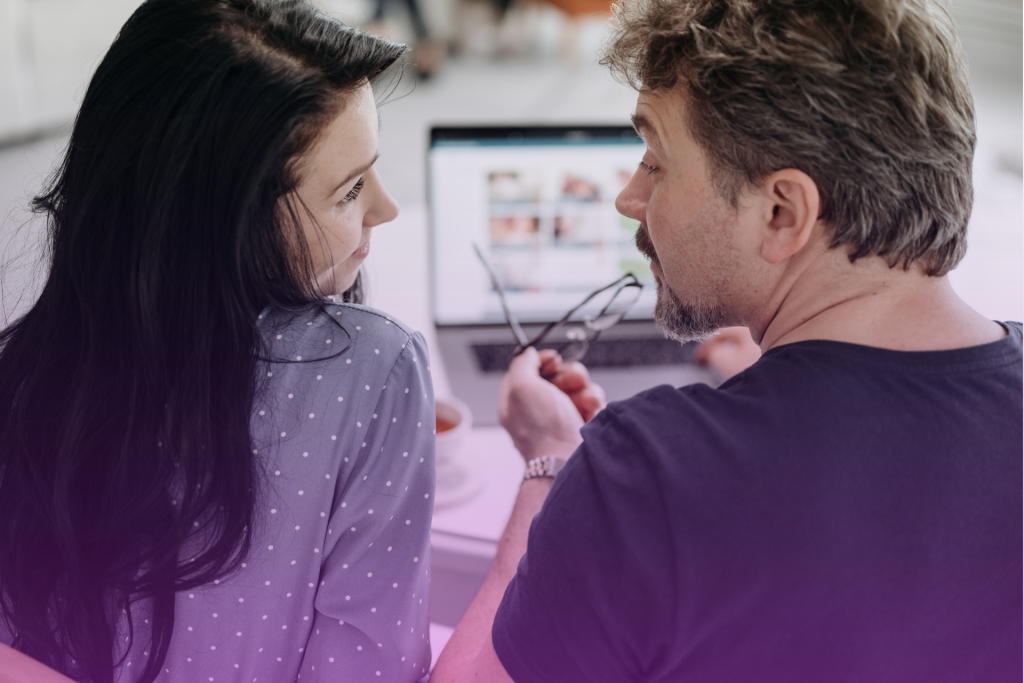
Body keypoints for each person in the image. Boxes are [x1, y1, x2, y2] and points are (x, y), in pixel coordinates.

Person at [431, 0, 1022, 680]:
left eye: (655, 158)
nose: (628, 195)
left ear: (782, 212)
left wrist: (550, 469)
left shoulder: (646, 479)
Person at [0, 1, 436, 681]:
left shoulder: (23, 377)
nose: (387, 206)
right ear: (230, 222)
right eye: (350, 190)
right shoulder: (373, 370)